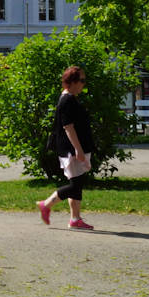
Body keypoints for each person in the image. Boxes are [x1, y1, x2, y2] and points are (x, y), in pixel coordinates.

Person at [37, 65, 97, 231]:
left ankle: (75, 219)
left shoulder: (69, 98)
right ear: (72, 82)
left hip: (74, 147)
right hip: (71, 149)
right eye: (82, 81)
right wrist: (78, 149)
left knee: (76, 182)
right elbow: (68, 127)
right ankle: (46, 204)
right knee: (75, 185)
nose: (83, 84)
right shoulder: (67, 100)